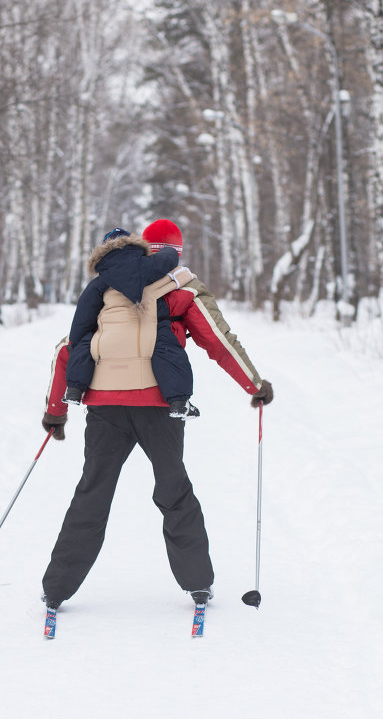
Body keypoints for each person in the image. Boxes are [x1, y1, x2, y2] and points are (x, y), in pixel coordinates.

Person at [41, 218, 274, 612]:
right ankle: (198, 584)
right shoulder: (181, 288)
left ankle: (57, 588)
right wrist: (254, 385)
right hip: (159, 407)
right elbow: (219, 341)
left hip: (104, 406)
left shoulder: (104, 287)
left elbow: (70, 348)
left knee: (92, 493)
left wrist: (55, 412)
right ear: (173, 252)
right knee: (174, 490)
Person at [64, 226, 199, 419]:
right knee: (167, 348)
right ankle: (179, 402)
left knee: (85, 343)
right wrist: (168, 250)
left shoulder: (99, 282)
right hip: (146, 328)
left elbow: (82, 318)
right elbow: (167, 260)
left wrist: (76, 344)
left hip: (108, 336)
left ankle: (74, 389)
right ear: (134, 246)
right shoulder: (148, 265)